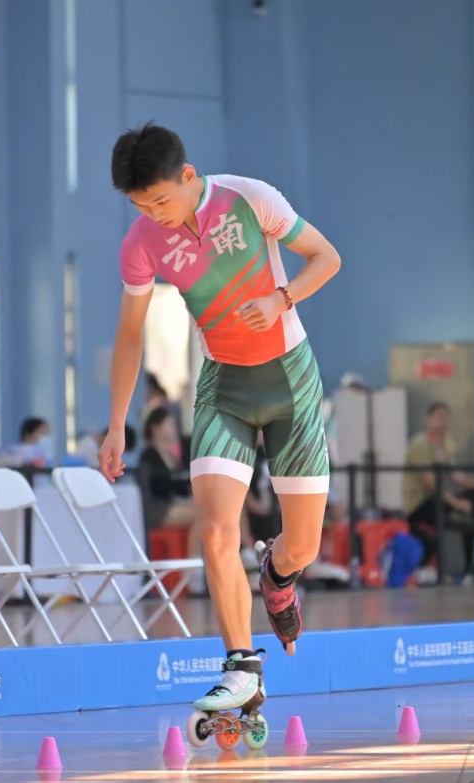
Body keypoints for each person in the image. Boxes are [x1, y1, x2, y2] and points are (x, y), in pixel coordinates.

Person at [99, 123, 341, 718]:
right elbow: (129, 337)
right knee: (214, 529)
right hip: (223, 388)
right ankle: (242, 668)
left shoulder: (249, 198)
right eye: (140, 206)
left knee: (303, 544)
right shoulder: (141, 243)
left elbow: (326, 258)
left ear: (188, 176)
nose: (154, 215)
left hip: (290, 380)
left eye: (161, 201)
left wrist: (282, 298)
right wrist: (115, 424)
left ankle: (277, 574)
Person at [402, 401, 474, 583]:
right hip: (420, 504)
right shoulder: (419, 445)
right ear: (428, 420)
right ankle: (459, 514)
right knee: (454, 508)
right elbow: (431, 484)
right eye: (439, 417)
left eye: (446, 417)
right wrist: (456, 503)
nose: (443, 422)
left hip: (442, 500)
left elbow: (455, 476)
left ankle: (469, 571)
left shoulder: (446, 443)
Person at [139, 407, 203, 591]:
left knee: (208, 510)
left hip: (175, 504)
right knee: (200, 514)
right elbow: (158, 488)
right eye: (169, 424)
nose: (173, 428)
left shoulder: (172, 455)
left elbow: (180, 484)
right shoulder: (148, 457)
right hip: (158, 510)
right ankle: (193, 570)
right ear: (156, 428)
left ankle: (200, 565)